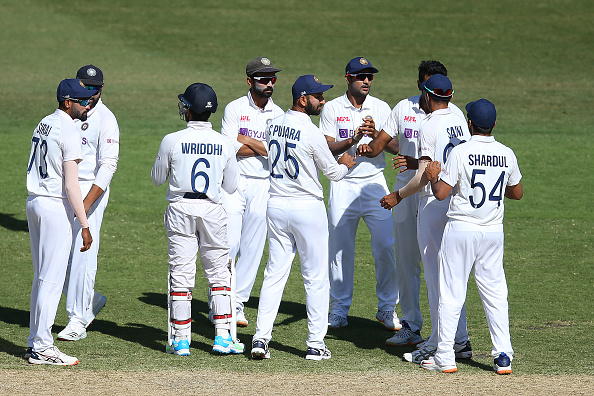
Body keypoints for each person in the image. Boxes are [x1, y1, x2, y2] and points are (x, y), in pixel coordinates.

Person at [358, 74, 472, 364]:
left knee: (436, 275)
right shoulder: (458, 118)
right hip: (451, 200)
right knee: (445, 272)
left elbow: (423, 174)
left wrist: (398, 195)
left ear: (426, 92)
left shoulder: (429, 124)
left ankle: (440, 343)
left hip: (430, 200)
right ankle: (456, 338)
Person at [251, 75, 356, 361]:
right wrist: (346, 163)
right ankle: (315, 344)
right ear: (302, 99)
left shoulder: (272, 125)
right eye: (318, 97)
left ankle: (260, 340)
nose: (322, 101)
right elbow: (333, 173)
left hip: (275, 205)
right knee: (315, 278)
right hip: (307, 208)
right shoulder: (311, 133)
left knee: (275, 273)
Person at [420, 99, 523, 374]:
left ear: (469, 124)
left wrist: (432, 175)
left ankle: (445, 356)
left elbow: (441, 193)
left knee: (452, 291)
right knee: (495, 293)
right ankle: (503, 355)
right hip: (492, 231)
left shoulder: (461, 152)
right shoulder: (507, 153)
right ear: (494, 125)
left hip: (462, 228)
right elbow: (517, 192)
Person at [151, 83, 241, 356]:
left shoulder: (172, 139)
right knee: (219, 273)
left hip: (180, 208)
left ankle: (180, 341)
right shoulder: (225, 142)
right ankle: (223, 337)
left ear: (189, 110)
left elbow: (157, 179)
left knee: (181, 275)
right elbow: (231, 186)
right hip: (212, 209)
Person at [381, 61, 465, 346]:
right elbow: (387, 141)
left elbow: (430, 168)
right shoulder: (404, 108)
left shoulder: (446, 117)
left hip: (431, 193)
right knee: (407, 260)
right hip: (417, 189)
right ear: (422, 86)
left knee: (441, 266)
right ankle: (412, 324)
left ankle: (444, 338)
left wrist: (401, 191)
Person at [320, 57, 400, 331]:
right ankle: (339, 310)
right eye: (360, 76)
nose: (366, 81)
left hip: (375, 183)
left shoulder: (381, 107)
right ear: (348, 78)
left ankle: (387, 308)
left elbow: (396, 145)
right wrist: (352, 141)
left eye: (370, 76)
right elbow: (327, 147)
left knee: (385, 246)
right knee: (340, 250)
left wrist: (377, 135)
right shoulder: (331, 108)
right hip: (343, 183)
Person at [26, 79, 95, 365]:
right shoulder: (69, 129)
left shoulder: (44, 122)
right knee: (51, 279)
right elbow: (72, 185)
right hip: (54, 207)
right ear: (68, 102)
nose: (87, 104)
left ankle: (35, 341)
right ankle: (42, 346)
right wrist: (85, 224)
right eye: (82, 101)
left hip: (34, 201)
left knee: (41, 276)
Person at [220, 57, 285, 327]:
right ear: (250, 81)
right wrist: (262, 145)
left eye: (272, 78)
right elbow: (226, 147)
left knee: (253, 248)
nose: (269, 83)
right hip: (234, 182)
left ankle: (237, 304)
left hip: (264, 184)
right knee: (229, 244)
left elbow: (277, 153)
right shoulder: (234, 108)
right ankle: (220, 301)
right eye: (263, 79)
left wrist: (245, 139)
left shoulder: (279, 114)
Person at [58, 65, 119, 341]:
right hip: (63, 188)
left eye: (94, 89)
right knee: (57, 253)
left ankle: (77, 320)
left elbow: (108, 166)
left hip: (89, 190)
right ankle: (89, 300)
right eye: (85, 88)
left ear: (101, 89)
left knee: (83, 254)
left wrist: (84, 203)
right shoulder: (68, 114)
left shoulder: (106, 119)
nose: (89, 94)